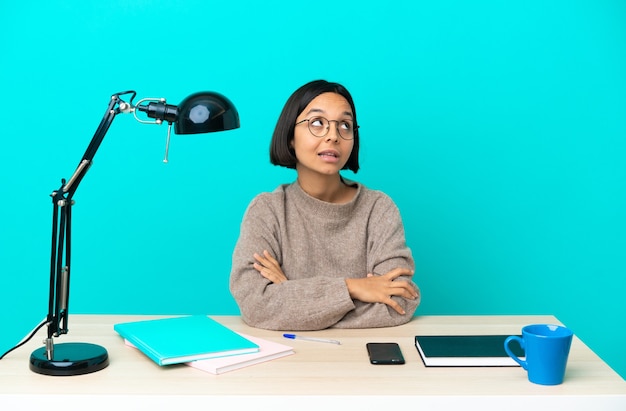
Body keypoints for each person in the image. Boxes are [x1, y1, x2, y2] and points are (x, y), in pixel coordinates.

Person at [229, 80, 420, 330]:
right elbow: (256, 305)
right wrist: (354, 288)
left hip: (364, 361)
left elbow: (399, 303)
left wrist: (289, 292)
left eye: (345, 125)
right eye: (317, 123)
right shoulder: (267, 211)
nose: (333, 135)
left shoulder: (378, 209)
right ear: (290, 138)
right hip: (288, 362)